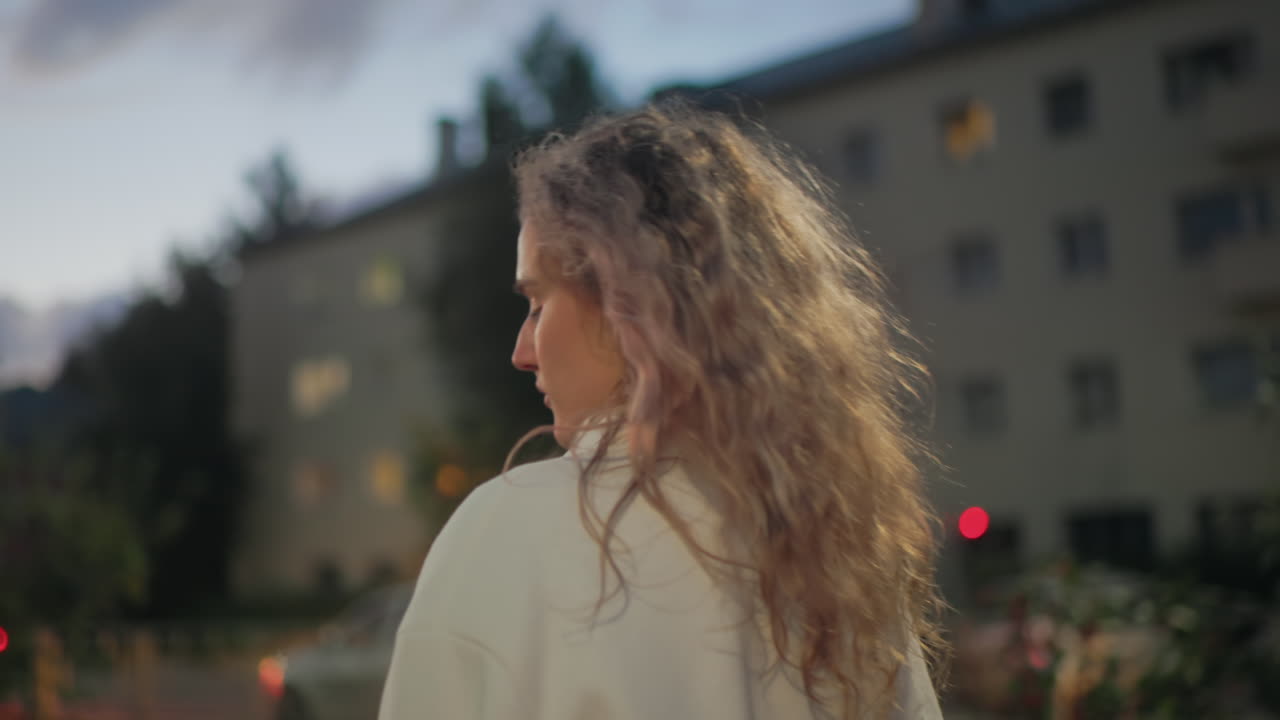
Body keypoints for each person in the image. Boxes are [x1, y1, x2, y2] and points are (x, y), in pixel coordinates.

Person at [379, 101, 946, 719]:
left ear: (628, 306)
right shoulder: (841, 548)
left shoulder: (504, 532)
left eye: (539, 304)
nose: (521, 351)